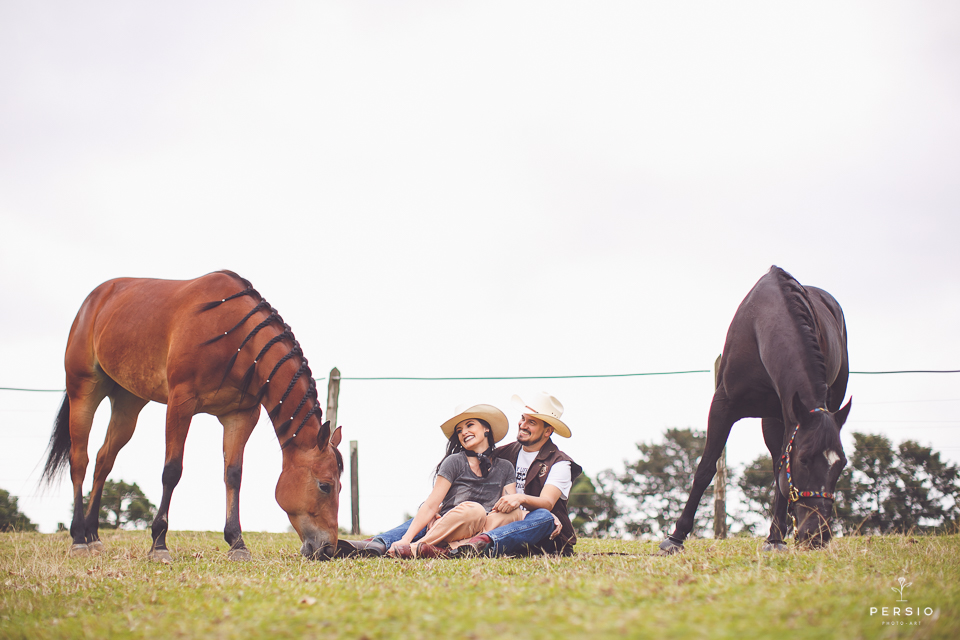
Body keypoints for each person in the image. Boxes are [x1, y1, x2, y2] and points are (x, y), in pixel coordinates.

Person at [336, 402, 520, 559]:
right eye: (459, 430)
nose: (464, 432)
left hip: (484, 529)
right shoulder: (454, 461)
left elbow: (508, 504)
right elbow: (432, 505)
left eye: (470, 425)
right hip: (457, 523)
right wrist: (406, 538)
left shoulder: (505, 467)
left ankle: (454, 549)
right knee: (475, 510)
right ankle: (417, 546)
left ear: (486, 428)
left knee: (514, 514)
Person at [449, 391, 582, 558]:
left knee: (544, 517)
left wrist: (520, 498)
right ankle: (407, 543)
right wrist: (439, 508)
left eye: (531, 422)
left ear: (547, 431)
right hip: (501, 522)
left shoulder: (560, 462)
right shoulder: (502, 454)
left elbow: (547, 502)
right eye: (523, 418)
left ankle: (480, 543)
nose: (523, 425)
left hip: (542, 536)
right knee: (437, 514)